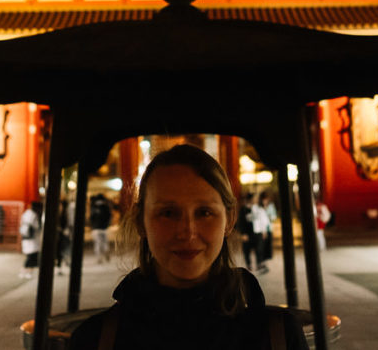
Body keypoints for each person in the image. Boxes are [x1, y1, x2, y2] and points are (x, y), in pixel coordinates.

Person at [69, 144, 307, 350]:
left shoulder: (277, 335)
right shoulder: (96, 339)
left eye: (204, 212)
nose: (187, 232)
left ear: (230, 220)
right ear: (141, 221)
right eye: (168, 213)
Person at [248, 193, 270, 274]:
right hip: (257, 231)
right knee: (258, 248)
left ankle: (260, 264)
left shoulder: (258, 208)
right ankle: (259, 265)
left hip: (259, 230)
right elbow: (258, 219)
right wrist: (264, 230)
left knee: (260, 248)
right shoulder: (255, 208)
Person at [20, 201, 43, 278]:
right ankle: (27, 271)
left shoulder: (26, 213)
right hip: (32, 238)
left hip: (26, 237)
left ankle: (26, 271)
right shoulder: (34, 215)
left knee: (29, 255)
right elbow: (36, 226)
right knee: (31, 256)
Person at [89, 193, 113, 264]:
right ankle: (106, 251)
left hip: (96, 228)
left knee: (97, 243)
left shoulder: (93, 207)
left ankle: (99, 258)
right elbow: (109, 217)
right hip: (104, 228)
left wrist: (92, 225)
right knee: (105, 242)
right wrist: (107, 224)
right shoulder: (106, 207)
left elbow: (91, 218)